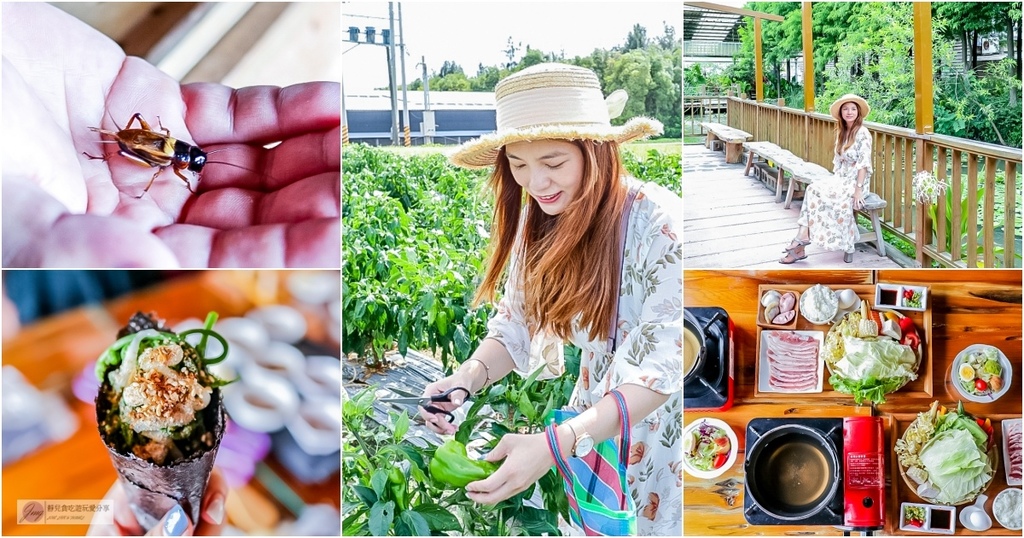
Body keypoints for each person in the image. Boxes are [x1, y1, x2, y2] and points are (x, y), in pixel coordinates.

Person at [418, 63, 682, 535]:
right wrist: (465, 380)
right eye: (518, 165)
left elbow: (663, 367)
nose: (536, 183)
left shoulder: (658, 225)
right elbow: (515, 324)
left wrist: (556, 445)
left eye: (553, 163)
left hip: (657, 431)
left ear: (595, 152)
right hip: (588, 425)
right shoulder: (538, 222)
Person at [2, 3, 340, 268]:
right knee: (152, 162)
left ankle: (107, 142)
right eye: (192, 162)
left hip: (148, 141)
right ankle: (105, 145)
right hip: (144, 146)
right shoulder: (171, 159)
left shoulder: (175, 147)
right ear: (186, 155)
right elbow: (163, 162)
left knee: (150, 156)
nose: (192, 165)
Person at [780, 94, 873, 264]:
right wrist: (835, 180)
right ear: (841, 113)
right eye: (845, 109)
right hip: (841, 178)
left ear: (858, 112)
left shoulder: (863, 133)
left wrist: (858, 191)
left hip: (857, 182)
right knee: (813, 189)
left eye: (853, 109)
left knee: (827, 195)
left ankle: (799, 244)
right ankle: (802, 237)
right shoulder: (843, 132)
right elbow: (839, 162)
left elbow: (864, 165)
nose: (849, 112)